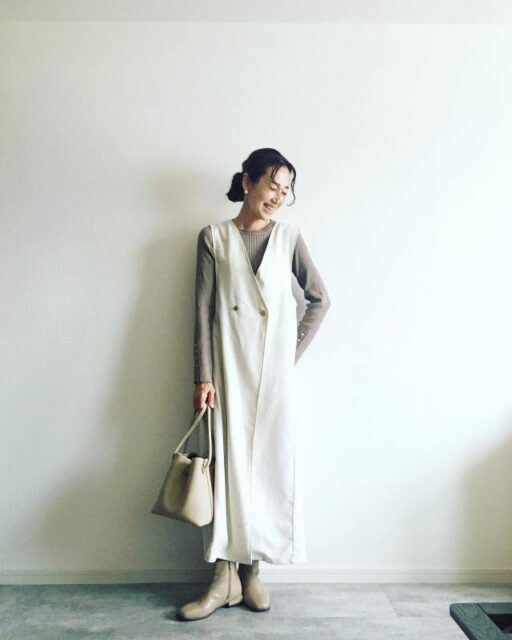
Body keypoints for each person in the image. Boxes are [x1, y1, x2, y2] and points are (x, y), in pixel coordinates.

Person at [176, 148, 331, 621]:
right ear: (247, 182)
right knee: (225, 468)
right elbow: (202, 311)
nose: (279, 197)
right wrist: (203, 375)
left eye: (286, 190)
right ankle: (222, 579)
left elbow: (319, 300)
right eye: (272, 185)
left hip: (272, 379)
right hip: (225, 371)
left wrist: (288, 355)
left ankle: (252, 573)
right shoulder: (213, 237)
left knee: (266, 469)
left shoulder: (289, 238)